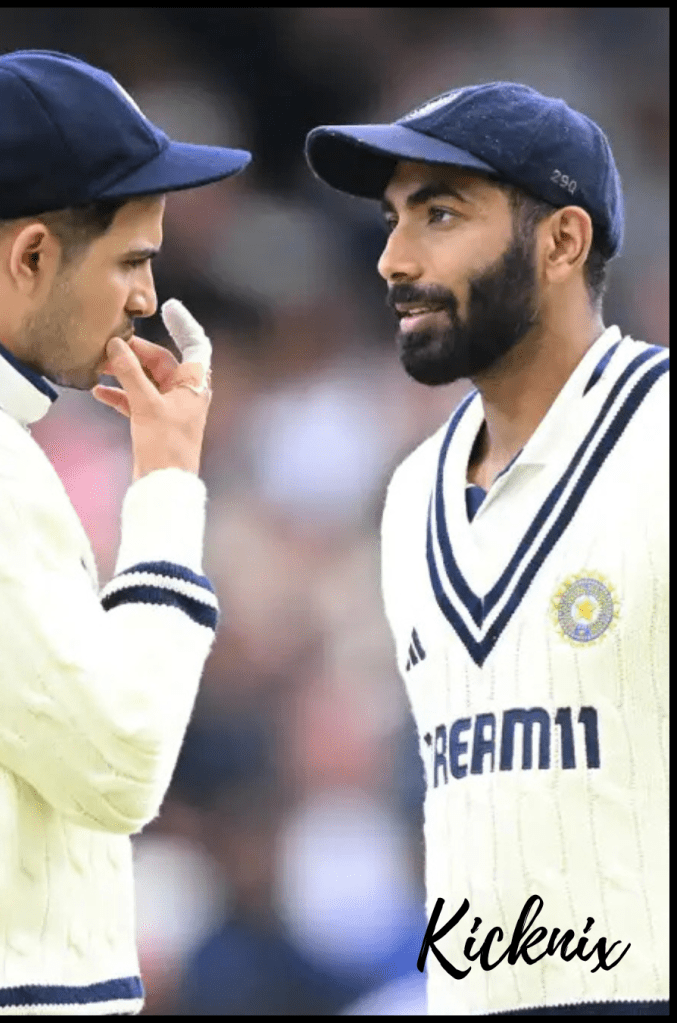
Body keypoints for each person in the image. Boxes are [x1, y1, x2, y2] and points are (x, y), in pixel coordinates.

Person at [0, 49, 250, 1016]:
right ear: (33, 255)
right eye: (131, 260)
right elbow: (120, 765)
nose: (146, 298)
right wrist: (168, 491)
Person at [305, 82, 668, 1016]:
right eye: (393, 220)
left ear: (562, 241)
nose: (391, 258)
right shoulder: (406, 494)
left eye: (440, 213)